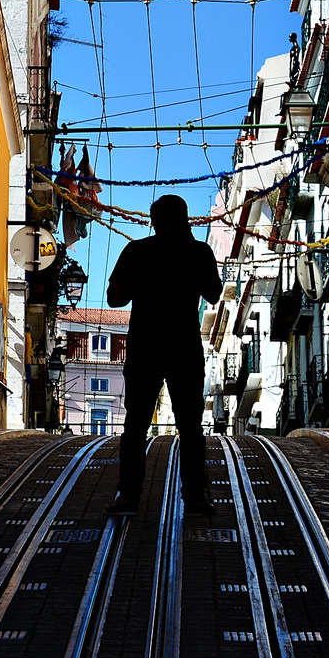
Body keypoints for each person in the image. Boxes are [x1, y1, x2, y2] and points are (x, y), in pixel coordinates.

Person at [103, 194, 223, 517]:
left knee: (136, 424)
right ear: (185, 220)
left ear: (153, 222)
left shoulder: (137, 251)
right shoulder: (199, 253)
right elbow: (214, 293)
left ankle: (128, 496)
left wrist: (141, 282)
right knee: (191, 425)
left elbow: (115, 297)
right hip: (184, 348)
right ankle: (196, 496)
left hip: (145, 347)